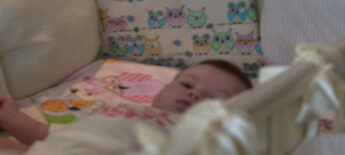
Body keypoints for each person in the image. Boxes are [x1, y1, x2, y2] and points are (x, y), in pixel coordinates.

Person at [0, 59, 251, 153]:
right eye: (186, 84)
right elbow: (48, 134)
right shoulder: (122, 112)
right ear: (163, 88)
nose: (195, 94)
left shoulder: (204, 137)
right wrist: (11, 117)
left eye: (212, 99)